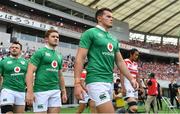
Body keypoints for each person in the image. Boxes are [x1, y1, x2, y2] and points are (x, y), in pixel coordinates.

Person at [74, 7, 138, 113]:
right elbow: (80, 58)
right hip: (96, 80)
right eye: (108, 16)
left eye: (112, 17)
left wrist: (131, 78)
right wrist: (77, 83)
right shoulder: (90, 33)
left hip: (109, 82)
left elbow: (120, 62)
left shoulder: (113, 39)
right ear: (99, 18)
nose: (111, 19)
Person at [26, 29, 67, 113]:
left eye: (57, 37)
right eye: (53, 36)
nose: (56, 38)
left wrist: (63, 91)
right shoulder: (40, 52)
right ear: (46, 39)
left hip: (55, 90)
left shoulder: (59, 56)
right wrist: (30, 91)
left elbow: (60, 75)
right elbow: (30, 72)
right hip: (41, 91)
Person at [0, 41, 28, 114]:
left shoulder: (26, 62)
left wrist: (29, 91)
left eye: (16, 48)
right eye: (12, 47)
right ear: (10, 49)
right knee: (7, 112)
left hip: (21, 91)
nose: (14, 49)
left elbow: (28, 78)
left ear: (20, 50)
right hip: (7, 90)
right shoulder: (3, 61)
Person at [120, 48, 143, 113]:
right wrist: (123, 87)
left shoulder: (135, 64)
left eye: (137, 55)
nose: (137, 56)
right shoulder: (125, 61)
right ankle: (120, 111)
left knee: (132, 109)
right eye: (135, 55)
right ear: (131, 54)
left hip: (134, 87)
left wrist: (141, 87)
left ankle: (122, 111)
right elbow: (121, 74)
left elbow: (137, 76)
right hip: (127, 85)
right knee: (134, 107)